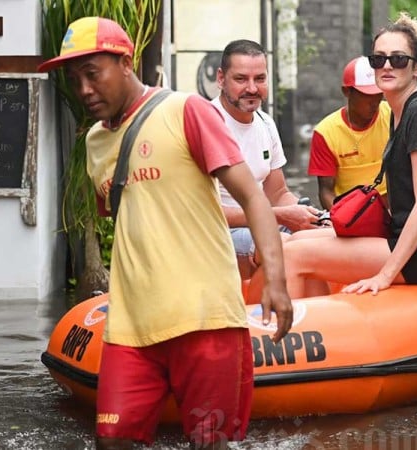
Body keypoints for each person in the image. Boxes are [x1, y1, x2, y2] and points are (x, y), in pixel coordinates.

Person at [37, 17, 293, 449]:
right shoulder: (94, 143)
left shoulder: (185, 111)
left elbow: (255, 198)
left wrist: (277, 282)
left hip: (205, 319)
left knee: (207, 443)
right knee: (111, 440)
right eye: (74, 78)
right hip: (131, 326)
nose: (83, 90)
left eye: (93, 74)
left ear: (125, 62)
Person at [268, 12, 417, 299]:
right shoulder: (401, 112)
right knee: (295, 240)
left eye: (398, 59)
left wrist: (385, 275)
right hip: (414, 239)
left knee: (294, 256)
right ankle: (322, 322)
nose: (386, 65)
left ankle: (294, 336)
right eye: (378, 59)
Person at [211, 39, 322, 278]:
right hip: (217, 232)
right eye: (241, 79)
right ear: (221, 79)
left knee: (323, 236)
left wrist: (310, 214)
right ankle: (269, 312)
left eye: (260, 79)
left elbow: (278, 193)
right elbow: (202, 212)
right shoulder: (205, 124)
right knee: (283, 245)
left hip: (263, 220)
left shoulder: (265, 123)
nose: (252, 88)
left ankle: (316, 311)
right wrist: (280, 216)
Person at [308, 56, 390, 210]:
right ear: (347, 92)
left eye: (378, 93)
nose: (374, 101)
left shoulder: (394, 116)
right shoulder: (326, 133)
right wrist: (343, 220)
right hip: (351, 214)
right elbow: (326, 191)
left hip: (393, 210)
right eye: (366, 94)